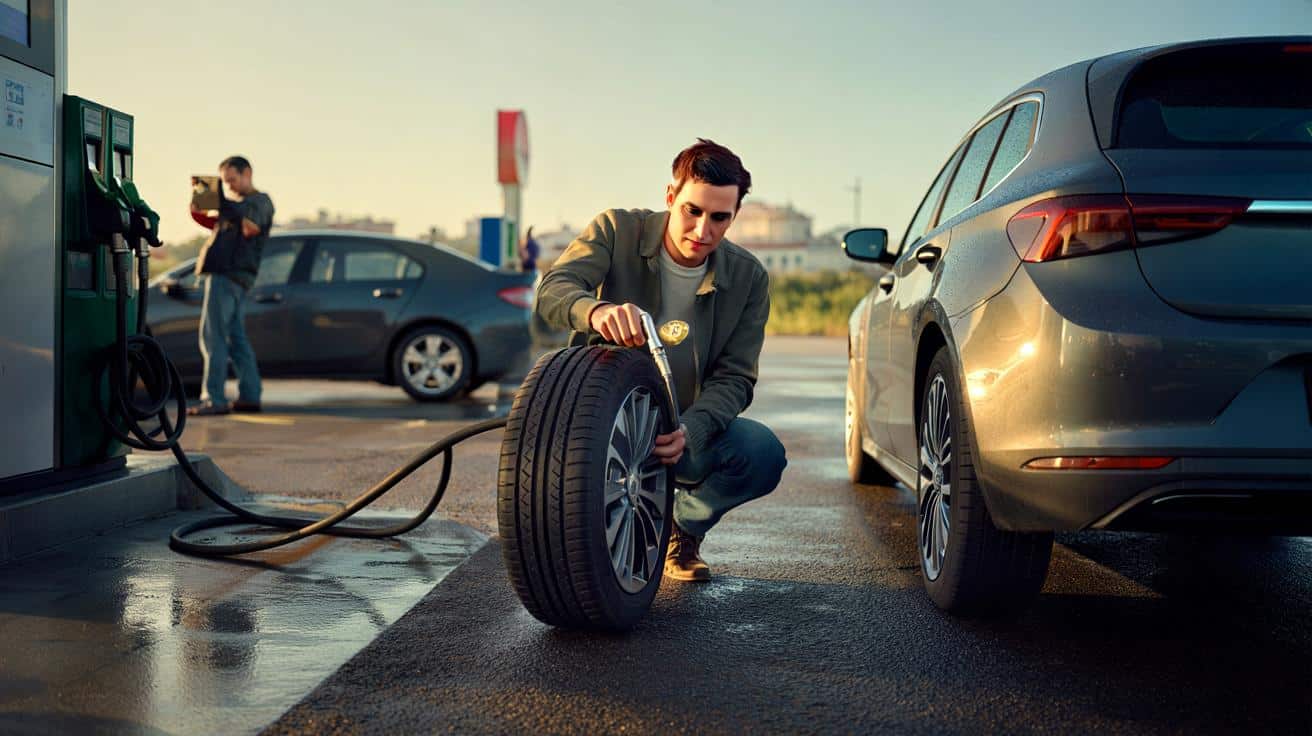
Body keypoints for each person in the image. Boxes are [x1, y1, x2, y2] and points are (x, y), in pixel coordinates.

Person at [535, 138, 786, 582]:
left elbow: (736, 378)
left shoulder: (749, 277)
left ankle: (681, 530)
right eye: (692, 210)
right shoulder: (615, 230)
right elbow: (554, 289)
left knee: (761, 453)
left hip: (680, 431)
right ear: (671, 197)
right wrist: (596, 310)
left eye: (719, 217)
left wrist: (692, 430)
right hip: (599, 422)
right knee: (577, 561)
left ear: (735, 215)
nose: (703, 230)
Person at [187, 155, 275, 416]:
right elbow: (214, 223)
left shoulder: (260, 202)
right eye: (224, 184)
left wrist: (221, 201)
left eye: (232, 181)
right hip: (231, 276)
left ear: (247, 173)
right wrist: (200, 204)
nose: (230, 187)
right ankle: (249, 396)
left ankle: (214, 398)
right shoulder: (235, 206)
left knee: (212, 337)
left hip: (229, 276)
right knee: (236, 338)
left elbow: (249, 228)